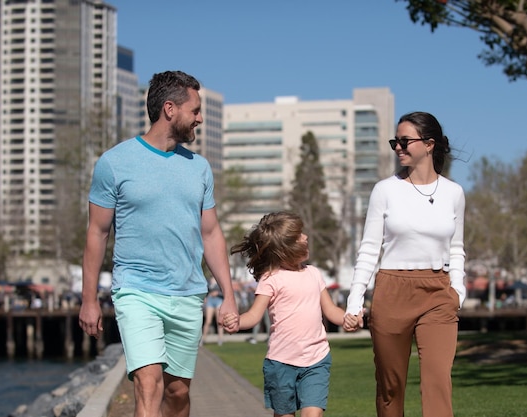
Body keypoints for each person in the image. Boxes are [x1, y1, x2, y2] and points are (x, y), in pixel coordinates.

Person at [79, 70, 239, 417]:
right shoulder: (114, 163)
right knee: (148, 384)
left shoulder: (199, 168)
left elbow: (210, 233)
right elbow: (97, 233)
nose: (200, 118)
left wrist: (228, 295)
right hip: (136, 290)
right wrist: (88, 299)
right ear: (170, 109)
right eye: (195, 110)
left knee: (178, 393)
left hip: (186, 294)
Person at [343, 111, 466, 417]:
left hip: (438, 293)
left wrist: (458, 292)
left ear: (429, 144)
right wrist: (354, 300)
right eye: (395, 141)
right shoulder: (385, 190)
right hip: (392, 290)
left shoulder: (454, 193)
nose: (398, 147)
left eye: (404, 141)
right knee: (390, 387)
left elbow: (458, 248)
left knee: (438, 381)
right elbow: (369, 249)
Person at [225, 211, 358, 417]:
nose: (305, 237)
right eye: (299, 236)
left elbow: (330, 310)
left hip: (317, 359)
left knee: (313, 414)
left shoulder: (313, 273)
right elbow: (253, 315)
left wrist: (347, 318)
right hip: (281, 362)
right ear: (285, 249)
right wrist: (237, 322)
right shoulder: (271, 279)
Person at [201, 277, 224, 345]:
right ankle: (203, 339)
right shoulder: (208, 281)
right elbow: (205, 290)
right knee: (208, 321)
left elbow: (224, 291)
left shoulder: (220, 279)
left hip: (218, 300)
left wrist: (218, 293)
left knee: (219, 321)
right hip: (210, 300)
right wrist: (205, 297)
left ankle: (220, 339)